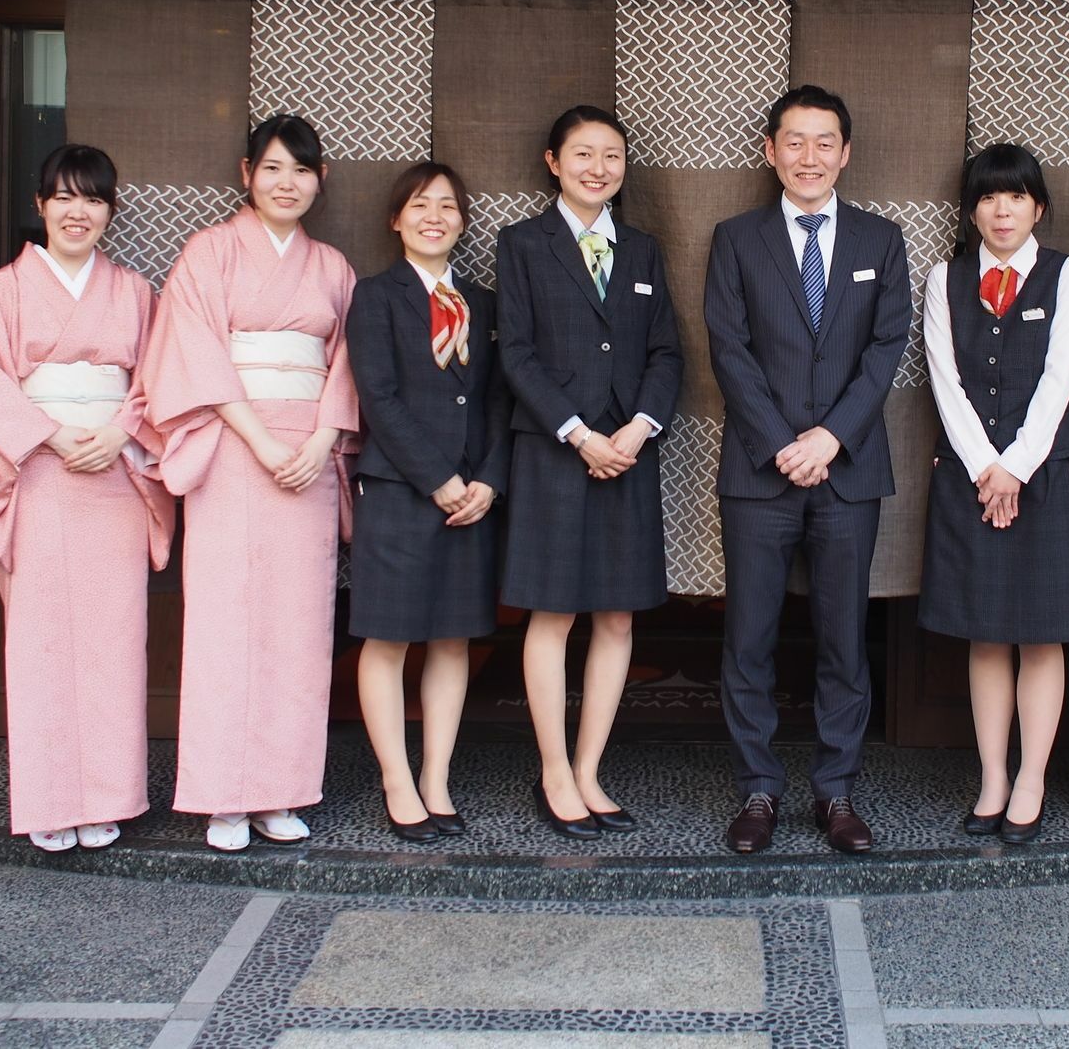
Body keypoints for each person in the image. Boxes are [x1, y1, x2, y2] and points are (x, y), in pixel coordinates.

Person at [140, 114, 357, 853]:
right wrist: (262, 439)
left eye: (300, 170)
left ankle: (282, 791)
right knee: (224, 625)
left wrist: (324, 437)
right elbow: (194, 354)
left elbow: (350, 366)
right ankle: (223, 796)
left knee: (299, 628)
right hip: (235, 451)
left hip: (310, 457)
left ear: (319, 181)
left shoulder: (333, 268)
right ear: (246, 175)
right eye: (272, 169)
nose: (286, 183)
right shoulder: (207, 253)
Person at [705, 85, 913, 856]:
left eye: (825, 142)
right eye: (795, 141)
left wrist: (829, 438)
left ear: (845, 152)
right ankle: (757, 788)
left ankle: (836, 792)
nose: (810, 156)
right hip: (759, 473)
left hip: (848, 471)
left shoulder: (880, 240)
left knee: (842, 640)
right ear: (770, 150)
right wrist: (783, 443)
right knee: (749, 638)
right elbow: (728, 349)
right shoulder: (735, 237)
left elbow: (887, 347)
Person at [0, 144, 174, 853]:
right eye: (64, 197)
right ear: (40, 205)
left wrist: (120, 430)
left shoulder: (136, 294)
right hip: (39, 477)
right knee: (43, 640)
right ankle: (51, 797)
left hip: (113, 474)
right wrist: (48, 434)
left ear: (111, 209)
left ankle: (107, 794)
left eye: (94, 199)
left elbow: (155, 383)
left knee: (113, 640)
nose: (78, 212)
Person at [496, 106, 683, 839]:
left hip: (629, 456)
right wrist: (579, 434)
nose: (598, 167)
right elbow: (516, 353)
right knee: (553, 612)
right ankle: (553, 771)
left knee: (616, 615)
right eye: (583, 153)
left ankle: (590, 769)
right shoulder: (523, 244)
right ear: (553, 161)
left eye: (611, 155)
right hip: (554, 452)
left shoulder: (641, 249)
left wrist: (638, 428)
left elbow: (667, 353)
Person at [919, 143, 1069, 846]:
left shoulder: (1067, 274)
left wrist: (1015, 468)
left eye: (1015, 196)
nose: (1001, 209)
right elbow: (945, 379)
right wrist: (985, 467)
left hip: (1042, 476)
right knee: (985, 632)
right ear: (972, 209)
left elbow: (1061, 377)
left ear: (1037, 207)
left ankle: (1032, 779)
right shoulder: (945, 278)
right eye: (989, 197)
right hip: (969, 475)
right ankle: (992, 776)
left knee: (1041, 634)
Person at [346, 161, 510, 843]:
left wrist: (489, 481)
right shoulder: (375, 297)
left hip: (472, 495)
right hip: (401, 491)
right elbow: (377, 398)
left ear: (463, 221)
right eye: (419, 205)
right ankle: (396, 779)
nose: (434, 216)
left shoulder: (486, 302)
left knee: (452, 638)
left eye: (447, 205)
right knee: (388, 638)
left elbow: (501, 399)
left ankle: (437, 776)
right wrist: (437, 478)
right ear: (396, 219)